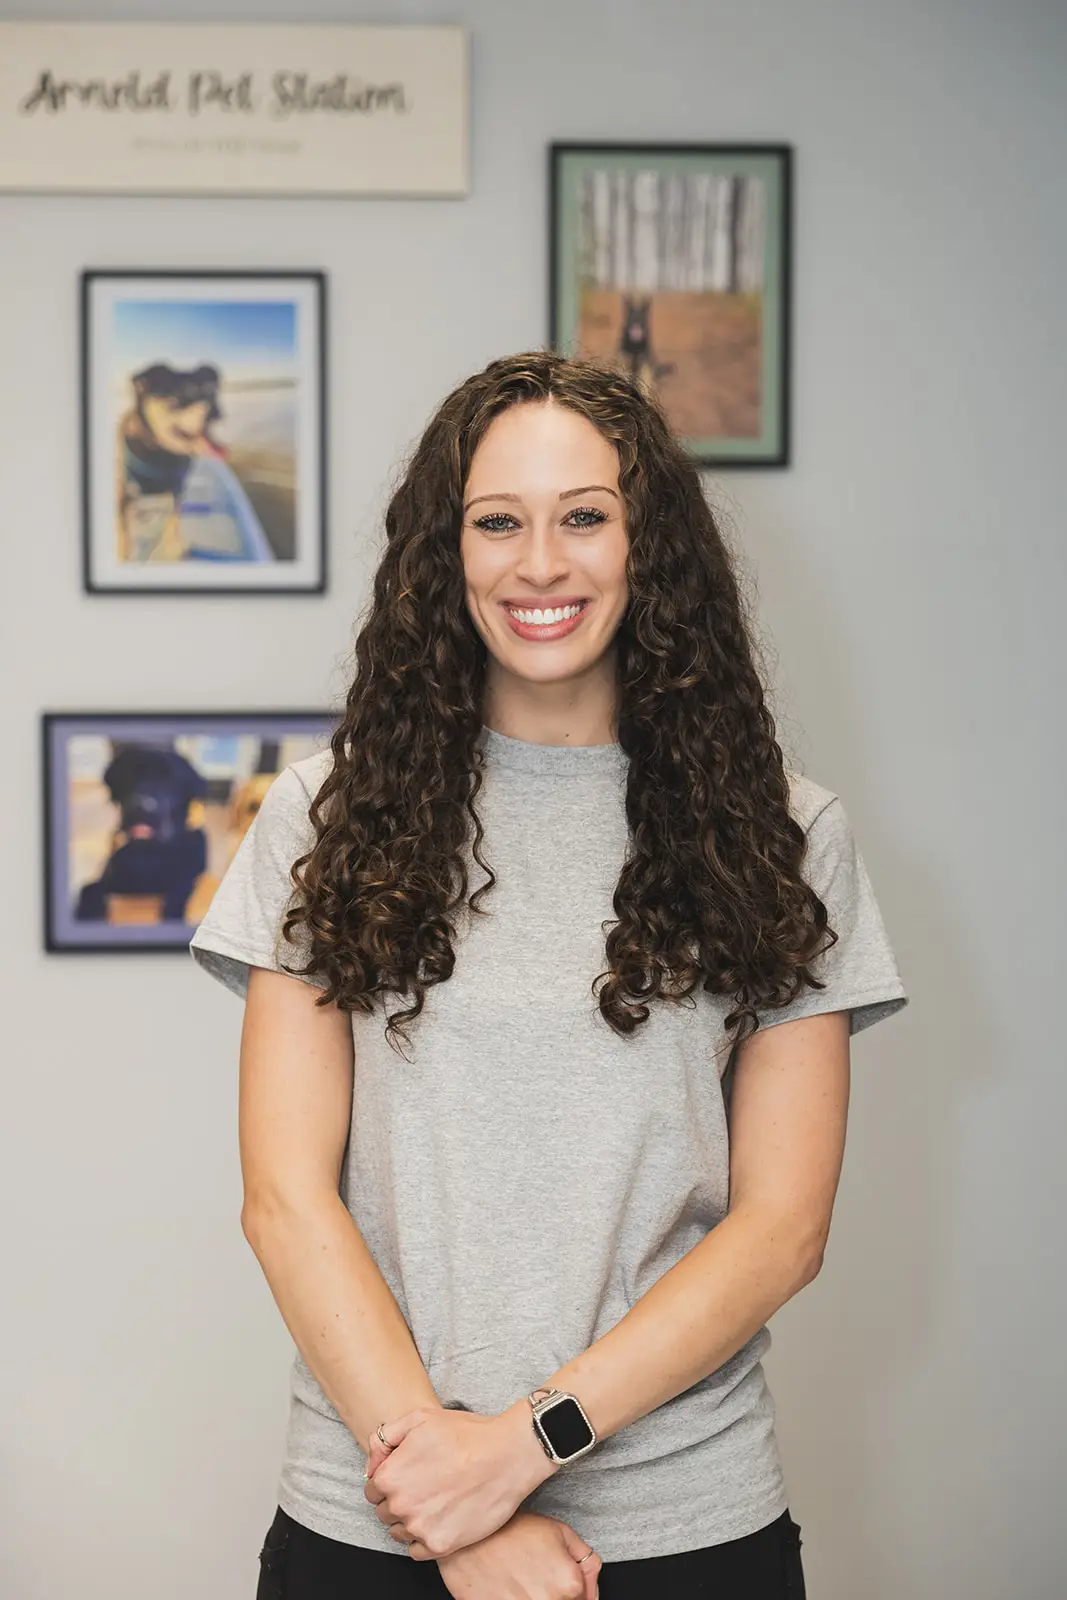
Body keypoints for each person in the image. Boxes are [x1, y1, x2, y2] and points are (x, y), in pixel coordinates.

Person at [189, 350, 909, 1599]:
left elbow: (779, 1229)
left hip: (685, 1525)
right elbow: (284, 1198)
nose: (538, 563)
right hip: (376, 1518)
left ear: (650, 549)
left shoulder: (784, 835)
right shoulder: (326, 817)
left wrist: (520, 1449)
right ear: (443, 551)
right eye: (495, 522)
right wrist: (454, 1513)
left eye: (584, 517)